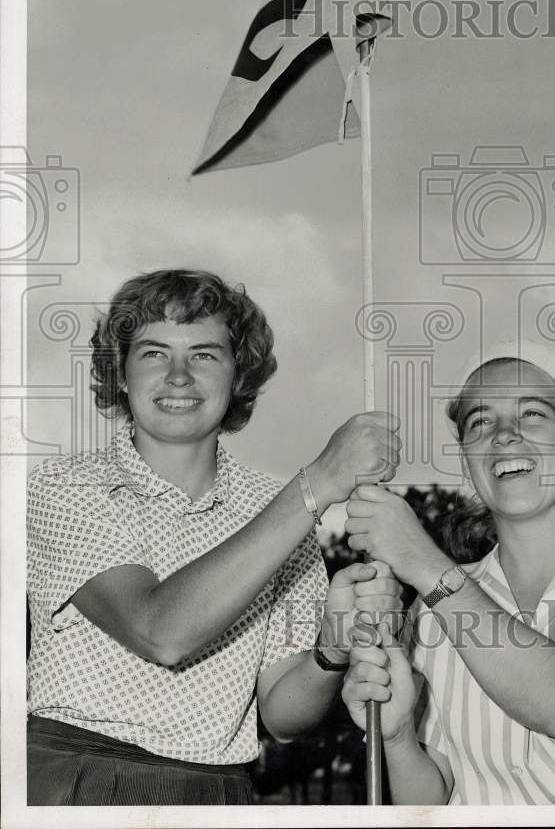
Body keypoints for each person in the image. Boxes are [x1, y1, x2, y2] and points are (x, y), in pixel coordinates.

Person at [26, 268, 402, 805]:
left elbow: (284, 714)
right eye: (154, 353)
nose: (179, 376)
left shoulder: (275, 509)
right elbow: (162, 631)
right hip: (79, 775)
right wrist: (319, 481)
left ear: (238, 375)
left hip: (219, 789)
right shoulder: (66, 485)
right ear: (122, 374)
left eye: (204, 354)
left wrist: (332, 648)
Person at [342, 348, 555, 805]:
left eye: (532, 413)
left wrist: (424, 564)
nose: (505, 436)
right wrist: (396, 738)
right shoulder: (431, 616)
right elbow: (431, 799)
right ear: (468, 462)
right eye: (480, 422)